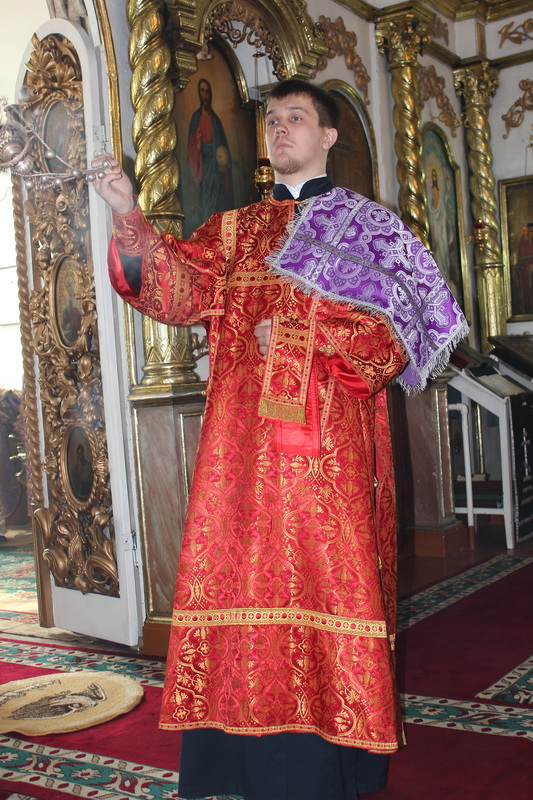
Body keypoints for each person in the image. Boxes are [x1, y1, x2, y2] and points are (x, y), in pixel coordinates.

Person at [93, 79, 468, 800]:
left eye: (296, 117)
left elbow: (393, 343)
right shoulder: (234, 232)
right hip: (241, 454)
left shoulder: (373, 230)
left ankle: (335, 761)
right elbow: (173, 291)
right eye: (271, 119)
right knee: (239, 581)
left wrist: (305, 332)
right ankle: (238, 760)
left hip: (332, 455)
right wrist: (126, 213)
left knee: (330, 587)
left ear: (329, 136)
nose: (279, 128)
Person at [187, 78, 233, 227]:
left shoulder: (216, 121)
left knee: (217, 201)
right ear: (199, 94)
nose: (205, 95)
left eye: (207, 91)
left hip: (217, 170)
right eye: (202, 91)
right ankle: (207, 229)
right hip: (204, 165)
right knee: (206, 199)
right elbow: (190, 148)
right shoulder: (196, 117)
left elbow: (224, 149)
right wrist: (198, 145)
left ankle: (218, 229)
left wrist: (224, 164)